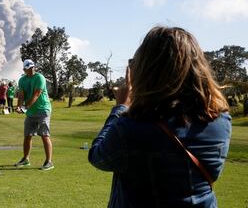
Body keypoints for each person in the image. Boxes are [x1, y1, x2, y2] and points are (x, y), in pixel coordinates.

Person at [89, 26, 231, 207]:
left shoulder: (131, 128)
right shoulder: (221, 121)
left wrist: (121, 107)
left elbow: (98, 157)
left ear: (148, 70)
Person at [15, 59, 54, 171]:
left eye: (32, 67)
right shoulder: (22, 80)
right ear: (24, 69)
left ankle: (49, 162)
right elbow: (21, 95)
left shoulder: (39, 77)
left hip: (43, 110)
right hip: (31, 112)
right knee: (28, 136)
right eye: (28, 68)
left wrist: (25, 107)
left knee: (44, 135)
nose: (31, 70)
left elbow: (36, 94)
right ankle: (26, 159)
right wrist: (18, 106)